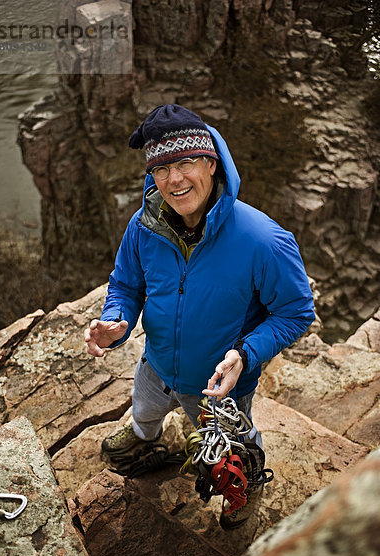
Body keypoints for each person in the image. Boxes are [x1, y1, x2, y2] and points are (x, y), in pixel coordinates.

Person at [84, 104, 315, 529]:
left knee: (232, 454)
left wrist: (245, 355)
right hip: (155, 366)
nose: (174, 179)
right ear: (151, 176)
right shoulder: (144, 226)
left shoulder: (263, 240)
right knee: (145, 410)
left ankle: (246, 483)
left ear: (210, 162)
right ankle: (146, 439)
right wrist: (116, 322)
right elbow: (126, 285)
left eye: (185, 162)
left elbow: (297, 312)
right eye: (161, 168)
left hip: (218, 388)